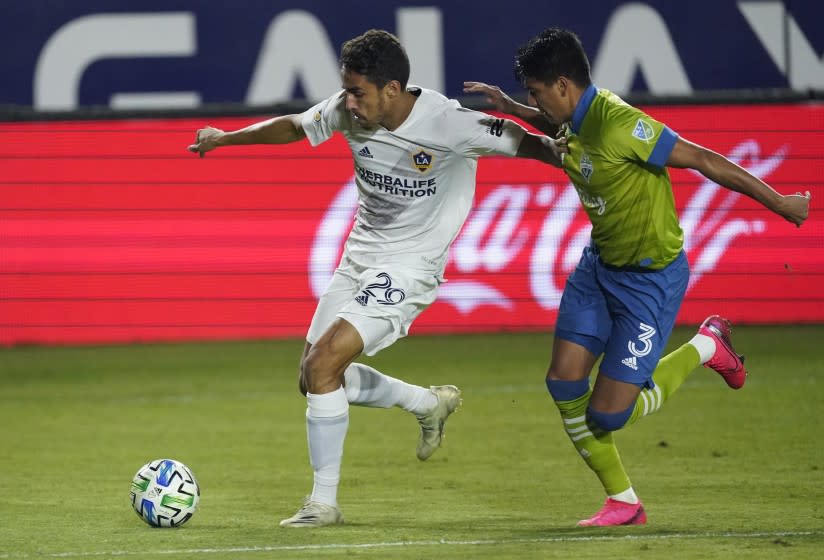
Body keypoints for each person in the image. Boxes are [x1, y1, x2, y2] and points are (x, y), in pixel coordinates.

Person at [188, 29, 566, 528]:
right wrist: (226, 139)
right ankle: (426, 403)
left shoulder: (449, 122)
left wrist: (579, 156)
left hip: (411, 266)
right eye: (345, 90)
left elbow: (535, 146)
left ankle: (323, 504)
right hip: (359, 258)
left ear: (392, 89)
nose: (348, 102)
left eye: (358, 92)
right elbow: (296, 127)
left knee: (324, 364)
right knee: (314, 379)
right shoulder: (350, 110)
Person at [464, 28, 811, 527]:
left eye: (535, 92)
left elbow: (704, 159)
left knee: (608, 416)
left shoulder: (619, 123)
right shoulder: (574, 118)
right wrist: (512, 109)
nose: (531, 100)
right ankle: (623, 502)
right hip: (599, 267)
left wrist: (781, 203)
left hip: (650, 281)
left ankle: (708, 345)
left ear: (563, 86)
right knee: (563, 382)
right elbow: (554, 125)